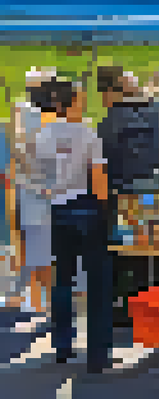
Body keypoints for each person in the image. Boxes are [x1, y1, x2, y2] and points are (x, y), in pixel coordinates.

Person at [36, 78, 114, 372]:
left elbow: (39, 176)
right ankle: (98, 354)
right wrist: (105, 208)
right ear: (73, 103)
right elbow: (99, 177)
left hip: (57, 208)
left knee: (63, 279)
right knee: (97, 282)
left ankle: (62, 345)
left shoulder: (43, 136)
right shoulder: (87, 133)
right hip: (87, 206)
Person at [96, 67, 159, 328]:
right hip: (151, 188)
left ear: (110, 93)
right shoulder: (154, 114)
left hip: (120, 193)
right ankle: (151, 303)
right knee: (151, 249)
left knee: (122, 251)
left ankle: (124, 307)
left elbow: (101, 161)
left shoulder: (109, 121)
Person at [13, 70, 55, 317]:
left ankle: (43, 299)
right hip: (38, 191)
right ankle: (42, 298)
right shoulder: (28, 112)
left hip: (38, 191)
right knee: (40, 247)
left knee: (40, 247)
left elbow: (19, 148)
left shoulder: (26, 112)